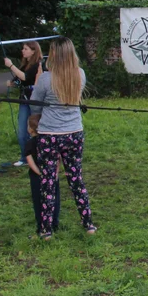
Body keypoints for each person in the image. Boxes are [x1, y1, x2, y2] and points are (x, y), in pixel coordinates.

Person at [32, 37, 95, 239]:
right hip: (74, 133)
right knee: (76, 179)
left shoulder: (45, 79)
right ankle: (89, 225)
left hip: (49, 135)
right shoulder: (80, 75)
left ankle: (46, 230)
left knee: (48, 182)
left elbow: (34, 106)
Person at [5, 41, 43, 167]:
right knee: (22, 130)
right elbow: (19, 79)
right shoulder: (24, 65)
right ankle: (25, 157)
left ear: (33, 51)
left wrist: (11, 66)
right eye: (23, 48)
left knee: (36, 128)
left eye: (26, 49)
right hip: (24, 100)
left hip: (34, 101)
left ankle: (40, 155)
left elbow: (26, 77)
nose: (23, 51)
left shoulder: (38, 65)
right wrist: (12, 83)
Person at [23, 114, 59, 235]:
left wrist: (39, 173)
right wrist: (56, 172)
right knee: (54, 199)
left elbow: (30, 161)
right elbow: (57, 158)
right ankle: (54, 223)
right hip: (53, 175)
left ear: (30, 129)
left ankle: (41, 226)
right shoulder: (51, 141)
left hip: (37, 177)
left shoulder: (29, 143)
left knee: (38, 200)